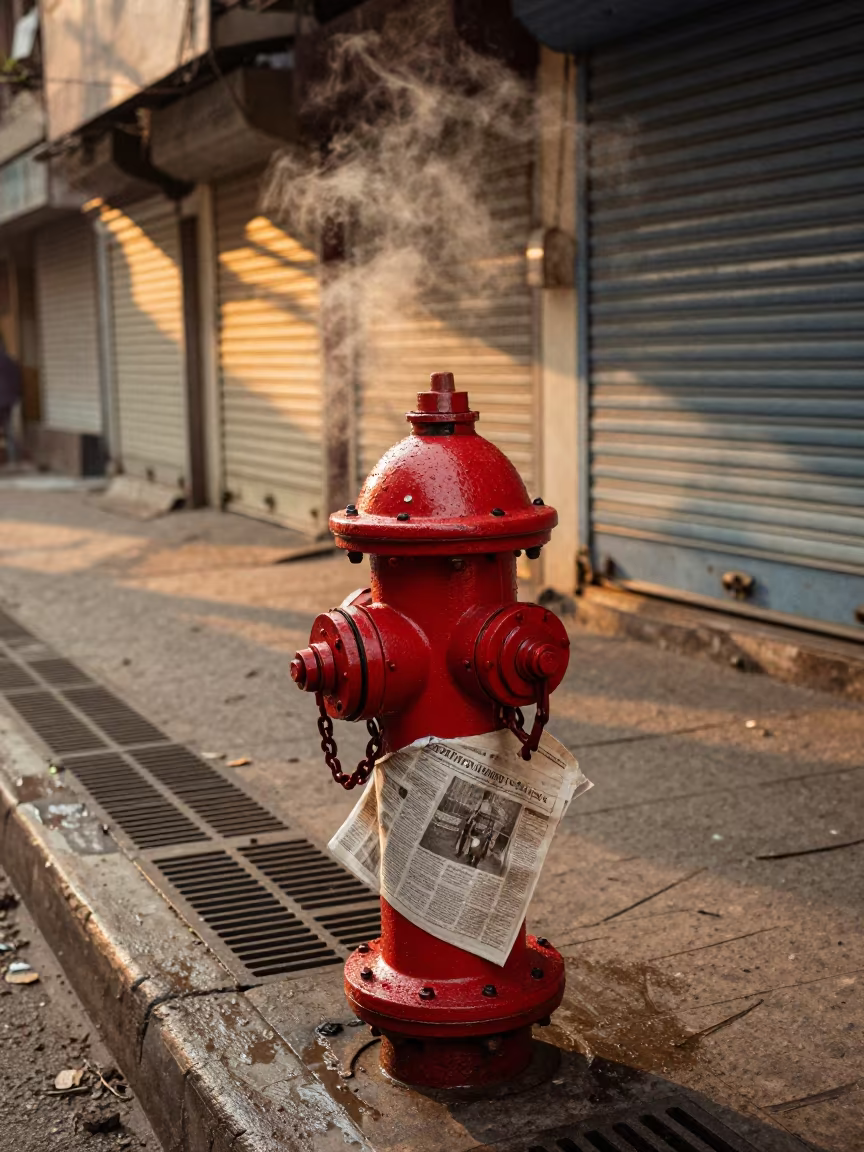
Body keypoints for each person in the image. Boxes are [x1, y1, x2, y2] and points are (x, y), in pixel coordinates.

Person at [0, 337, 22, 466]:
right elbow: (18, 380)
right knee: (9, 430)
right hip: (9, 401)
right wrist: (17, 396)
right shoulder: (11, 361)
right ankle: (13, 458)